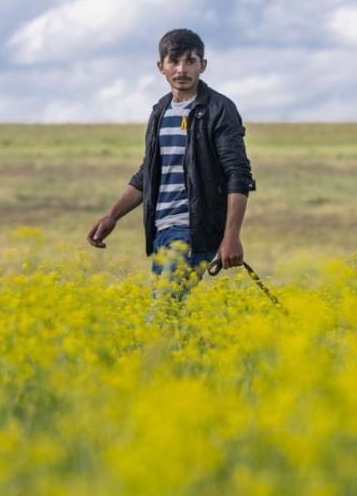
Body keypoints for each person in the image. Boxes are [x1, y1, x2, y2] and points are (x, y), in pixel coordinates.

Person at [87, 28, 255, 298]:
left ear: (203, 65)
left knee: (163, 312)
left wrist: (231, 236)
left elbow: (238, 174)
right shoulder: (160, 111)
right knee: (170, 316)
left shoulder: (218, 109)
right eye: (174, 62)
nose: (182, 69)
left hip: (193, 230)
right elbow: (148, 174)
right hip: (161, 231)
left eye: (190, 61)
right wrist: (111, 216)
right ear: (160, 67)